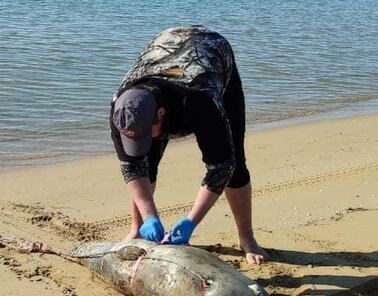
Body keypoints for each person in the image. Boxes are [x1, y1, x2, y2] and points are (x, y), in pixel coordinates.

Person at [111, 26, 268, 264]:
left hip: (213, 56)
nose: (143, 138)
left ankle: (246, 237)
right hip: (165, 48)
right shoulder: (121, 108)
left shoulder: (201, 103)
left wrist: (191, 222)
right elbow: (133, 168)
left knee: (235, 164)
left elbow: (221, 168)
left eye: (147, 132)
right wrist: (149, 216)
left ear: (161, 114)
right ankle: (136, 230)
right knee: (145, 162)